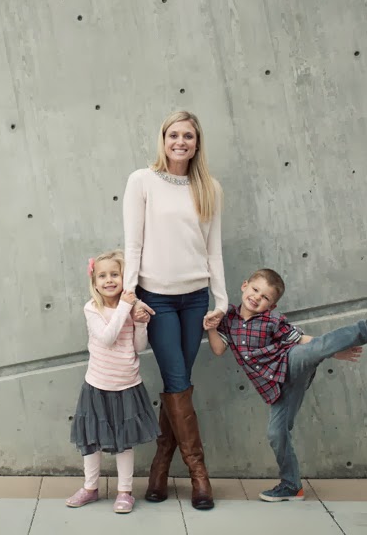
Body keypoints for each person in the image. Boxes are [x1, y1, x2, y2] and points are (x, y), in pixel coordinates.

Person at [204, 268, 367, 502]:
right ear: (245, 286)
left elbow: (304, 341)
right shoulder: (229, 319)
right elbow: (218, 349)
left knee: (309, 350)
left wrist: (333, 351)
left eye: (265, 298)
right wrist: (211, 326)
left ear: (271, 306)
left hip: (290, 362)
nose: (257, 298)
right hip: (277, 388)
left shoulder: (273, 320)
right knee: (276, 433)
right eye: (255, 290)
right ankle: (291, 486)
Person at [122, 110, 226, 510]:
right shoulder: (142, 181)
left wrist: (221, 300)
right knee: (177, 378)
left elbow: (212, 248)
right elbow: (133, 242)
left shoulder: (209, 188)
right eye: (174, 135)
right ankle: (199, 475)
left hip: (196, 299)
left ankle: (161, 465)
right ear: (163, 139)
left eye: (189, 136)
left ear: (197, 143)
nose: (180, 142)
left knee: (176, 384)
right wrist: (131, 292)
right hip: (157, 299)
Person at [67, 250, 161, 514]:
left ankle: (125, 492)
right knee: (91, 440)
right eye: (103, 275)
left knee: (124, 441)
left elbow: (139, 346)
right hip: (97, 384)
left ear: (124, 278)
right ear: (94, 281)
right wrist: (127, 306)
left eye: (115, 274)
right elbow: (107, 338)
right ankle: (90, 487)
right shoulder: (92, 308)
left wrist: (141, 323)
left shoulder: (131, 308)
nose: (109, 280)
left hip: (127, 385)